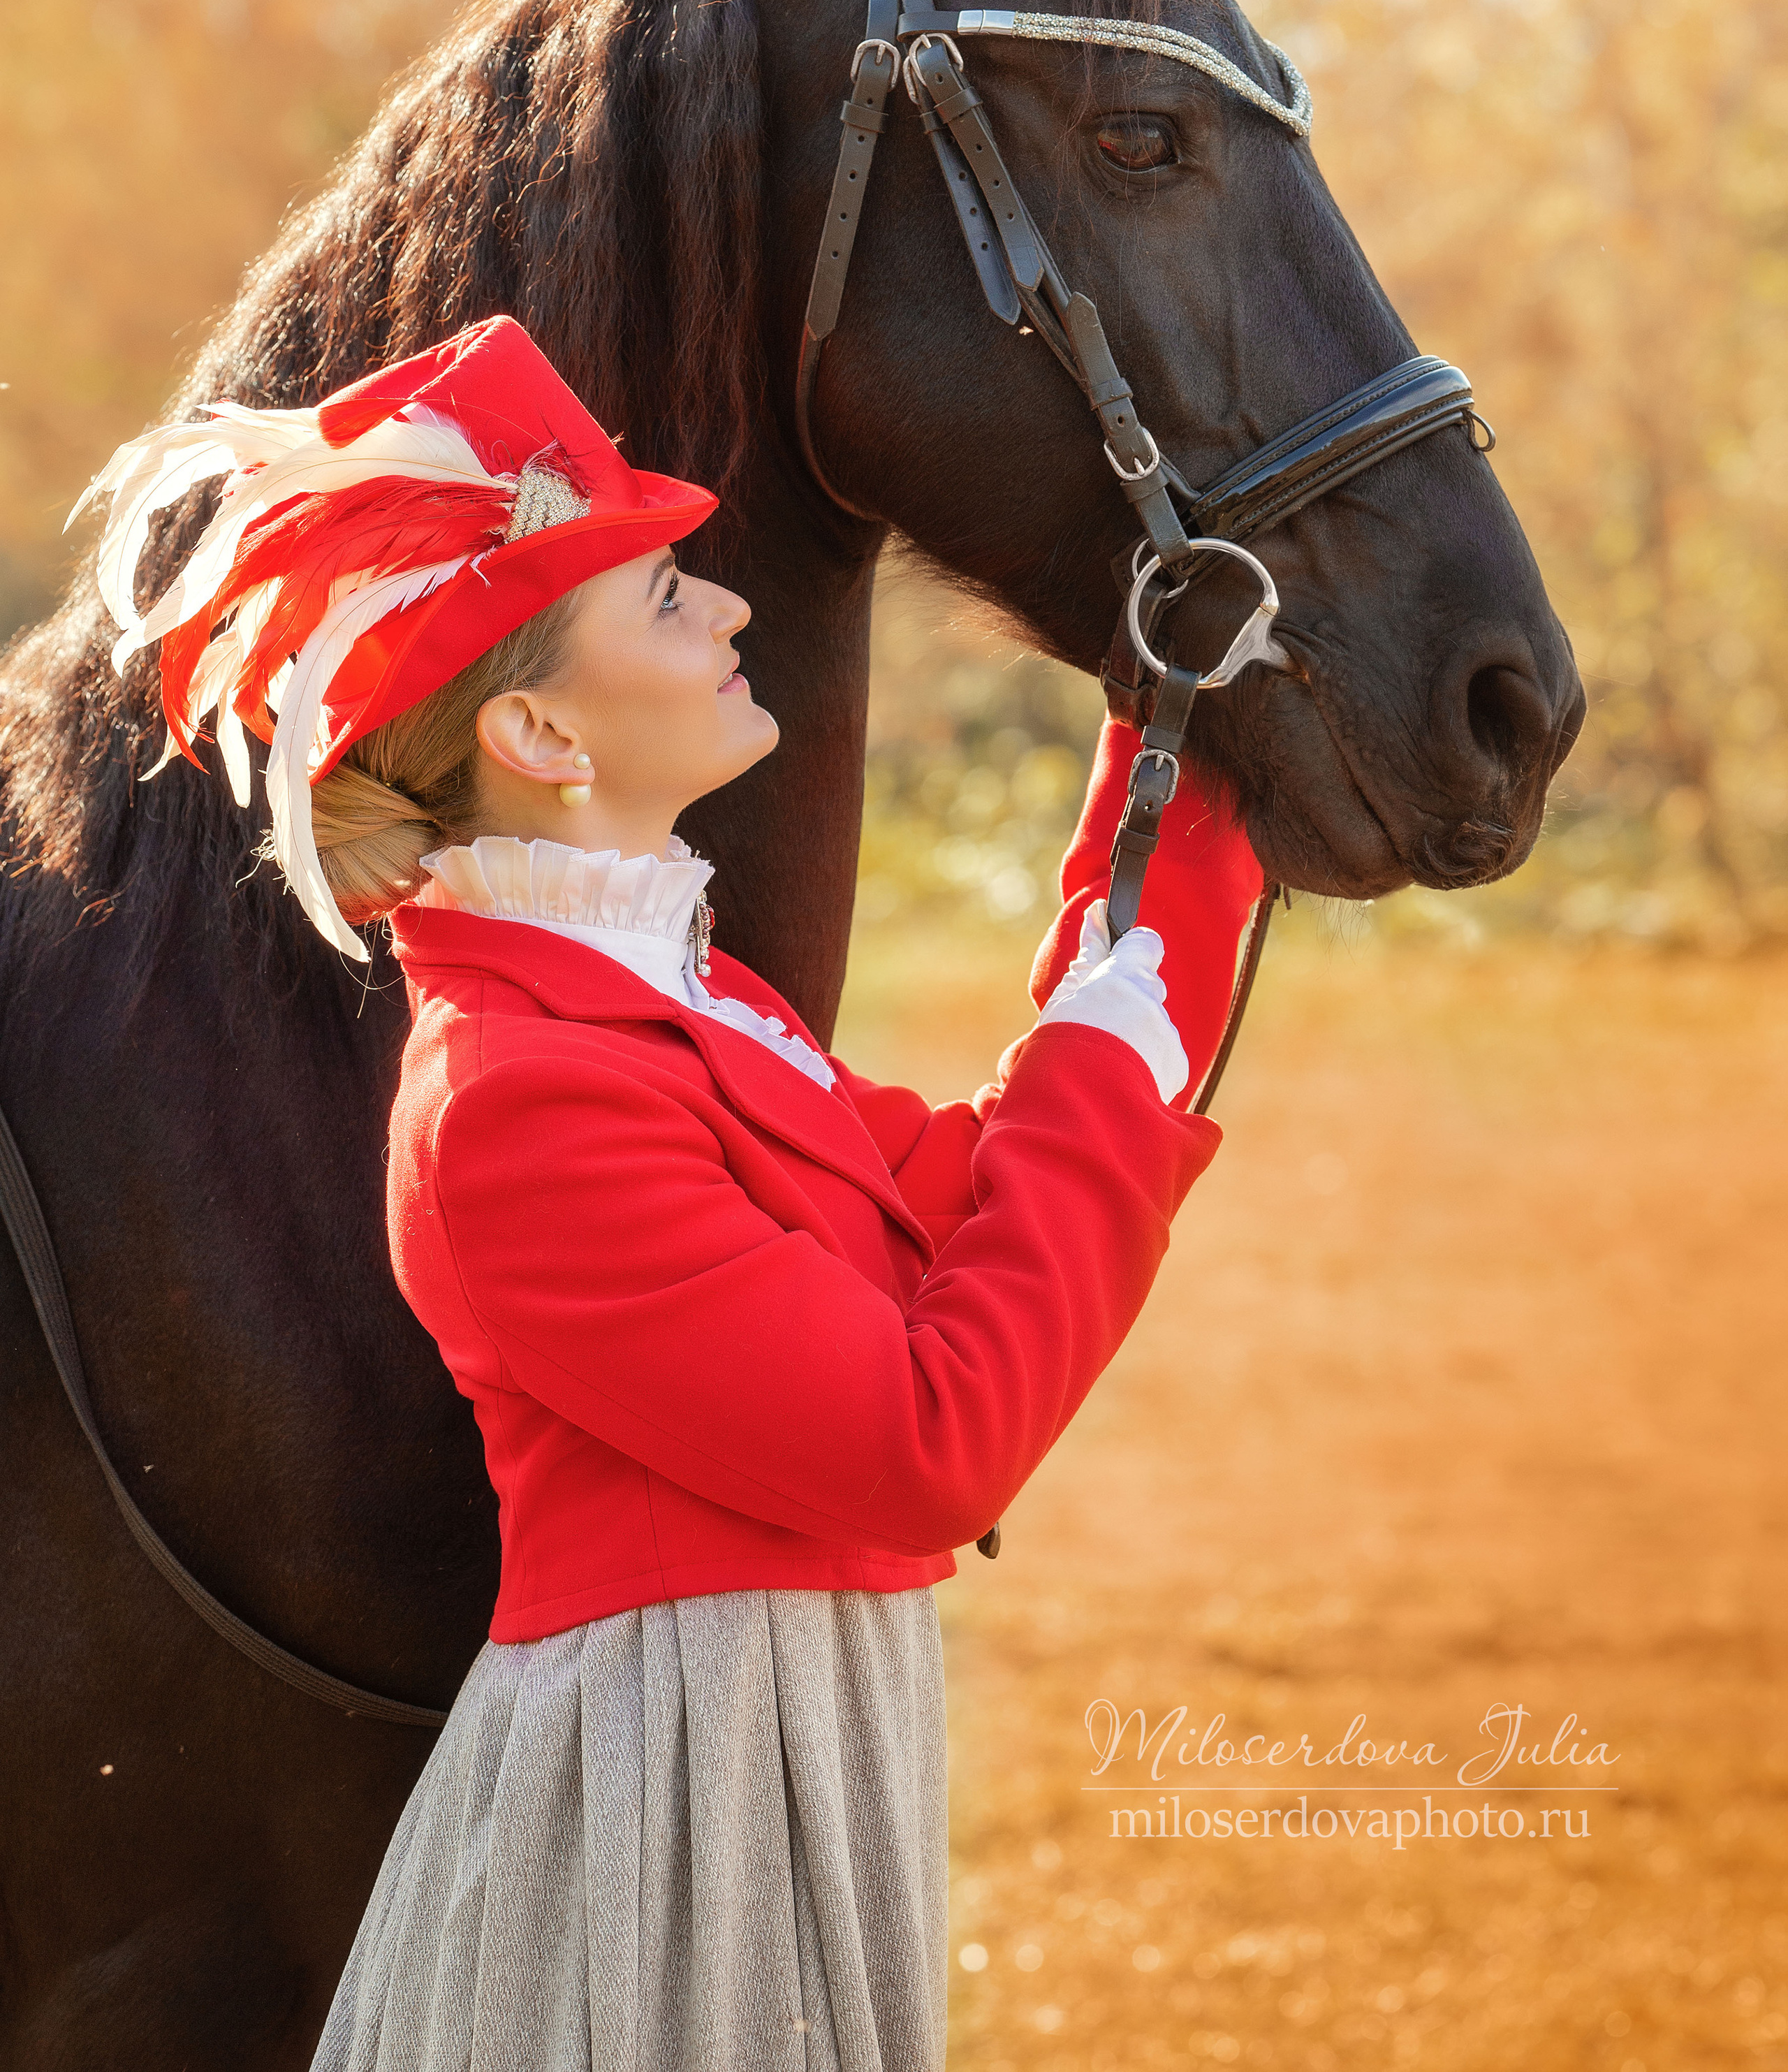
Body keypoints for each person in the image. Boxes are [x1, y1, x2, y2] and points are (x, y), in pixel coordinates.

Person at [81, 316, 1264, 2072]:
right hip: (669, 1800)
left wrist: (1204, 742)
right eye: (662, 599)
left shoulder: (671, 1010)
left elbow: (975, 1199)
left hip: (780, 1738)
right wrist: (1096, 1061)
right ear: (541, 728)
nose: (724, 610)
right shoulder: (513, 1102)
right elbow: (930, 1437)